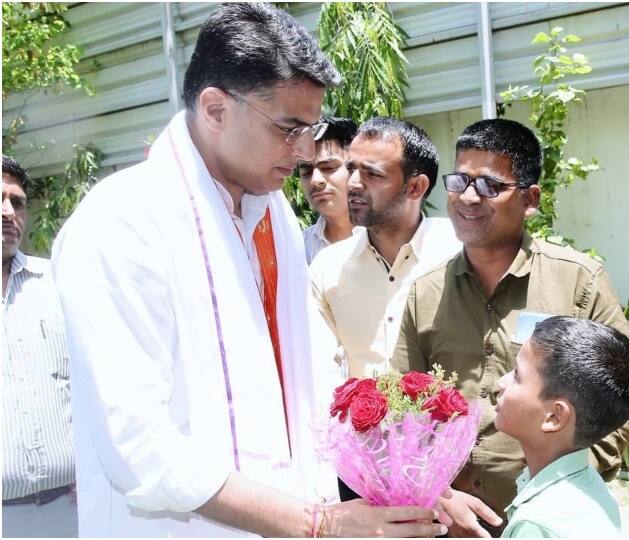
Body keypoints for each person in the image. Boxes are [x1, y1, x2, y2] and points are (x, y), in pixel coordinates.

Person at [51, 5, 447, 538]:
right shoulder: (122, 222)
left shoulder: (272, 212)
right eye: (289, 129)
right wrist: (318, 524)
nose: (305, 151)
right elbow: (140, 446)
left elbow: (309, 386)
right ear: (215, 109)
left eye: (312, 129)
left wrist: (414, 490)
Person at [392, 118, 629, 536]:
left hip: (546, 515)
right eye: (460, 180)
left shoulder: (576, 281)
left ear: (530, 198)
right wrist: (439, 494)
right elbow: (399, 407)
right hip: (450, 520)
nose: (468, 197)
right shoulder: (427, 292)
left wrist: (577, 468)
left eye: (490, 186)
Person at [310, 116, 461, 380]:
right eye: (351, 169)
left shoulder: (460, 252)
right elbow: (320, 371)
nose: (353, 184)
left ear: (415, 187)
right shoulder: (327, 268)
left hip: (453, 420)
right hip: (359, 422)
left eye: (372, 173)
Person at [496, 316, 629, 538]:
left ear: (555, 417)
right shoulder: (592, 487)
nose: (501, 382)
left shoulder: (537, 525)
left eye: (517, 375)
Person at [2, 155, 77, 537]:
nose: (7, 212)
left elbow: (96, 380)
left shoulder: (57, 282)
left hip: (70, 509)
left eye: (16, 202)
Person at [298, 116, 357, 263]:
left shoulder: (388, 240)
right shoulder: (298, 248)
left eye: (329, 168)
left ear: (356, 168)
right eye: (306, 172)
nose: (315, 180)